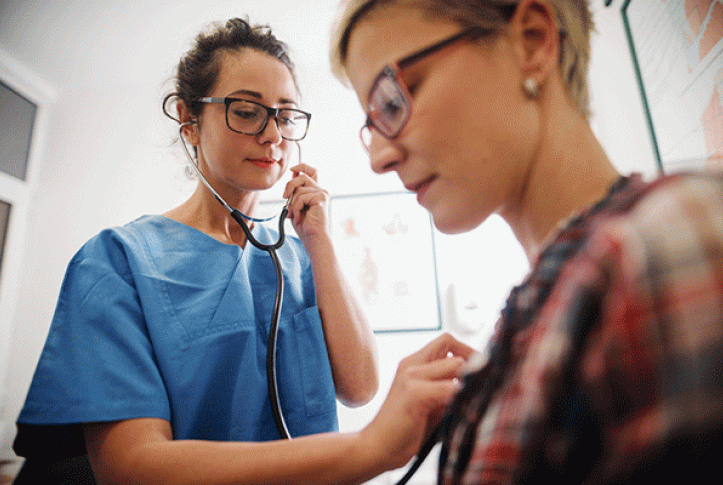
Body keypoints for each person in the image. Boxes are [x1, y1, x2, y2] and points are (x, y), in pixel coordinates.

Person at [13, 17, 474, 485]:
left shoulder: (300, 259)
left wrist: (320, 242)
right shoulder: (117, 261)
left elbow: (359, 388)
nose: (274, 135)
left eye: (286, 115)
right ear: (190, 121)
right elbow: (130, 468)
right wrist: (365, 450)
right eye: (247, 111)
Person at [330, 0, 723, 483]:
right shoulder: (539, 312)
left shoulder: (664, 243)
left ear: (532, 40)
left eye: (392, 101)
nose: (380, 159)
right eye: (372, 126)